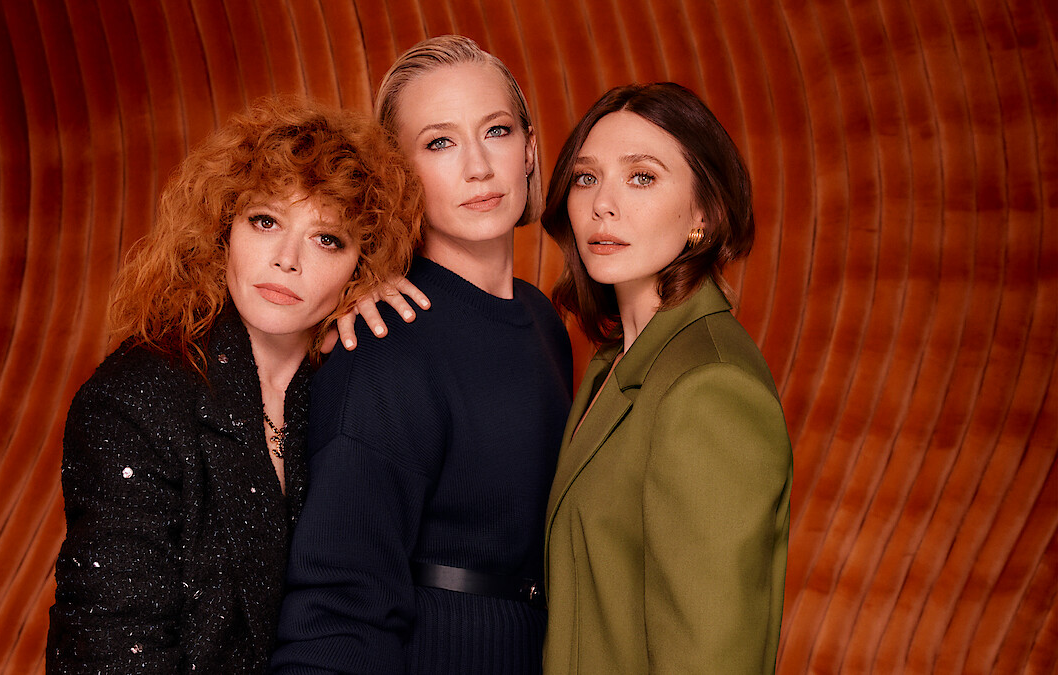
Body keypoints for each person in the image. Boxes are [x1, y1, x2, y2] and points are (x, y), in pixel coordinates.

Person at [46, 98, 422, 673]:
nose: (287, 260)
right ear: (223, 231)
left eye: (327, 239)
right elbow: (112, 647)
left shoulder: (348, 389)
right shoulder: (134, 401)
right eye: (265, 221)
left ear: (362, 267)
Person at [272, 36, 573, 674]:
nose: (478, 167)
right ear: (397, 173)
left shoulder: (541, 321)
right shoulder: (383, 344)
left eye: (496, 131)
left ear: (529, 150)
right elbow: (337, 608)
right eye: (440, 142)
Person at [540, 82, 794, 674]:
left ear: (704, 212)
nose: (604, 204)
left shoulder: (709, 388)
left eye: (642, 177)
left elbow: (712, 656)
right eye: (586, 177)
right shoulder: (612, 364)